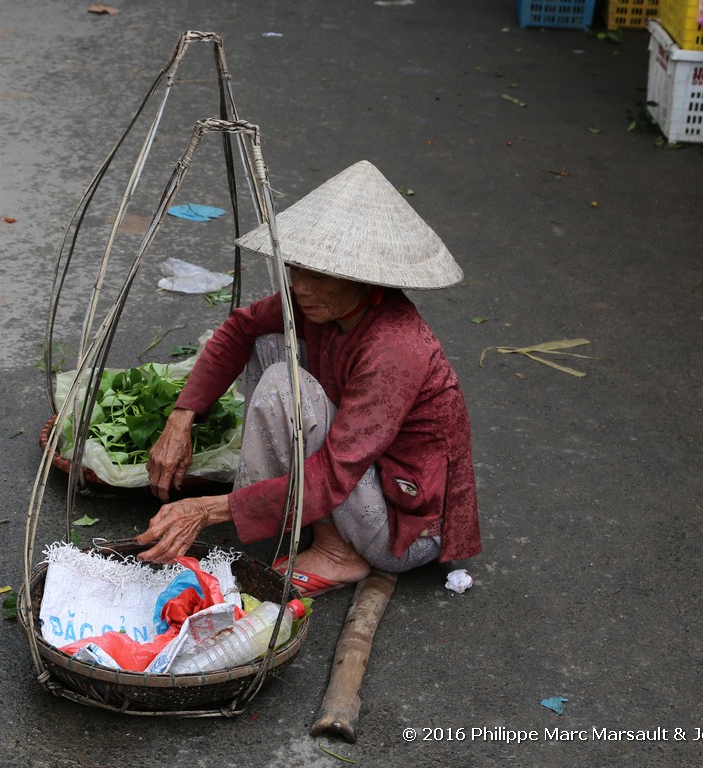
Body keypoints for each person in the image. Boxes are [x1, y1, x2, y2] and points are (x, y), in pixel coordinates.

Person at [133, 160, 480, 595]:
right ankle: (293, 511)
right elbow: (240, 327)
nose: (300, 287)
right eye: (297, 270)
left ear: (365, 281)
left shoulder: (394, 349)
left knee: (283, 384)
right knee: (266, 342)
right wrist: (180, 419)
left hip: (403, 526)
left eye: (318, 275)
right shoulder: (319, 302)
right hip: (362, 478)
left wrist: (206, 510)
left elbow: (336, 472)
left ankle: (338, 553)